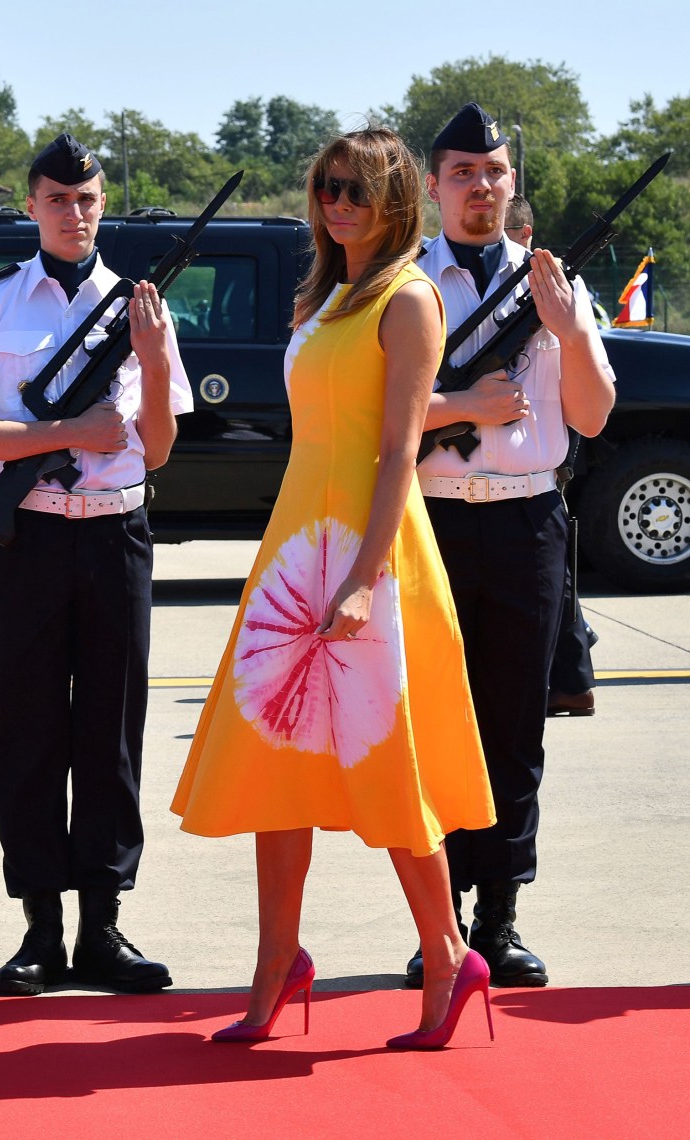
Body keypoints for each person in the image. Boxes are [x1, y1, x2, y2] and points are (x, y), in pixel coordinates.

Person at [172, 126, 496, 1050]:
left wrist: (362, 577)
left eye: (354, 188)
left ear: (395, 197)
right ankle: (278, 959)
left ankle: (447, 951)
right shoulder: (329, 294)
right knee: (277, 766)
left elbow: (400, 448)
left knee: (390, 768)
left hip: (370, 555)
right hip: (294, 547)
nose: (336, 203)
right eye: (325, 187)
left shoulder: (408, 299)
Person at [0, 133, 192, 995]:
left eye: (86, 200)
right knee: (32, 729)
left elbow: (156, 450)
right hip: (31, 538)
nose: (73, 214)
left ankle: (104, 926)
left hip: (117, 532)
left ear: (103, 201)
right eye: (55, 199)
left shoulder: (142, 306)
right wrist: (66, 434)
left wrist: (153, 365)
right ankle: (40, 926)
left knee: (111, 734)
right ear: (32, 206)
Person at [406, 104, 615, 989]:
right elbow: (373, 424)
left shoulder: (552, 282)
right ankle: (439, 926)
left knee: (513, 730)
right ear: (433, 187)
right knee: (436, 730)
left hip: (529, 521)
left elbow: (595, 414)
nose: (480, 188)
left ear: (511, 183)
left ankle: (501, 918)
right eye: (462, 174)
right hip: (433, 524)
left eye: (493, 173)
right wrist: (464, 408)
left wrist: (565, 329)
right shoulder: (405, 286)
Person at [505, 193, 598, 717]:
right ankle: (573, 675)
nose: (519, 246)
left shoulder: (559, 288)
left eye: (521, 235)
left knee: (557, 574)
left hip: (546, 456)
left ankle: (573, 675)